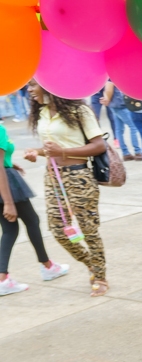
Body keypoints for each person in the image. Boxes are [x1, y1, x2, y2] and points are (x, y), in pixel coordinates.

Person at [23, 80, 110, 296]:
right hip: (53, 177)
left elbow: (99, 146)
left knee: (88, 230)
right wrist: (37, 152)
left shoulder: (79, 110)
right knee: (58, 230)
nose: (29, 89)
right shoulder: (42, 112)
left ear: (49, 84)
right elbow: (51, 148)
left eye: (33, 85)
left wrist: (62, 152)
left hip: (79, 177)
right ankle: (91, 263)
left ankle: (100, 276)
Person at [0, 120, 67, 295]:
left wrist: (9, 163)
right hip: (5, 184)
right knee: (31, 221)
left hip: (5, 177)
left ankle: (3, 278)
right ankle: (48, 266)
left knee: (9, 229)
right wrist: (8, 202)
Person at [101, 82, 142, 162]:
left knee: (119, 129)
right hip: (120, 104)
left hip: (114, 104)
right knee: (133, 127)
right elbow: (109, 87)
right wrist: (107, 99)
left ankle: (125, 153)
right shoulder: (113, 74)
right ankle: (138, 152)